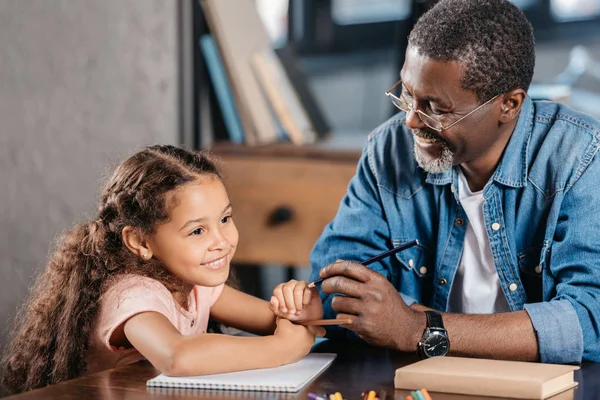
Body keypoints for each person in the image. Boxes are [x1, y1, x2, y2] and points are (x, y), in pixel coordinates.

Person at [270, 0, 600, 364]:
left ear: (509, 104)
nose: (411, 121)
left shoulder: (580, 158)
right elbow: (338, 287)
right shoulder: (388, 149)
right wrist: (388, 319)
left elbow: (589, 320)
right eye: (408, 95)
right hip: (422, 378)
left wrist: (419, 328)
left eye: (436, 108)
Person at [1, 145, 323, 394]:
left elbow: (276, 319)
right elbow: (177, 356)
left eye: (225, 219)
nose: (221, 241)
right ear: (140, 241)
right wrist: (283, 348)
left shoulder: (195, 282)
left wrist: (302, 307)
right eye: (198, 231)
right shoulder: (133, 296)